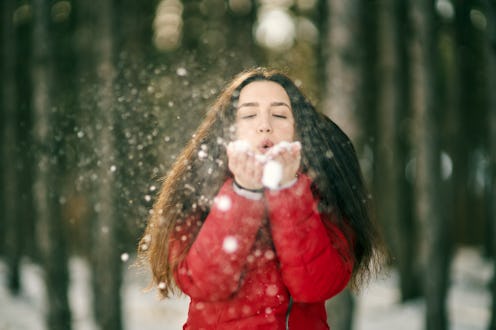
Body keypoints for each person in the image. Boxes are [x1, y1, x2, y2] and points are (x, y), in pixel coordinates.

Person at [138, 67, 385, 329]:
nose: (265, 125)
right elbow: (204, 283)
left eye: (279, 115)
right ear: (230, 131)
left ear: (298, 131)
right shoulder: (200, 193)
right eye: (249, 115)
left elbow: (316, 286)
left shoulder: (323, 197)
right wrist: (242, 193)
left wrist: (288, 192)